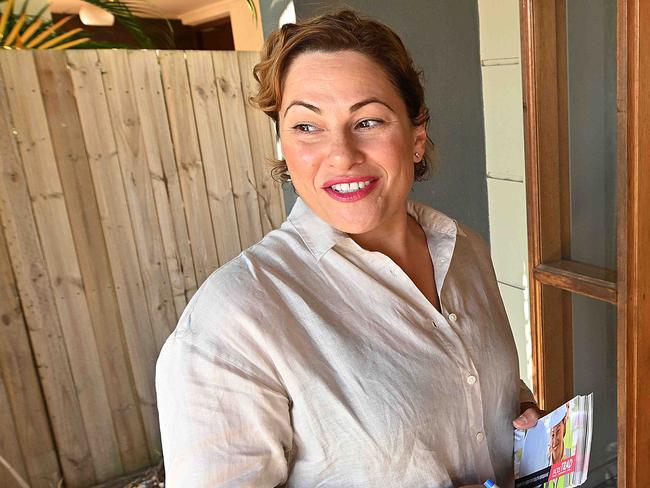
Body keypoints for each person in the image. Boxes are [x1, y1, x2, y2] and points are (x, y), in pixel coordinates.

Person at [156, 9, 542, 488]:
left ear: (416, 137)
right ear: (283, 144)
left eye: (368, 121)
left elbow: (476, 395)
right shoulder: (233, 320)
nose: (340, 154)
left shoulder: (464, 249)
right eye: (306, 126)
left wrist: (519, 414)